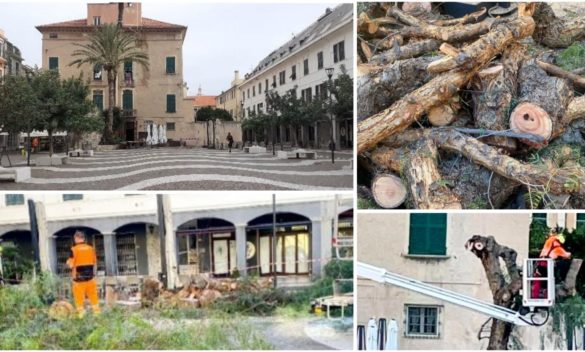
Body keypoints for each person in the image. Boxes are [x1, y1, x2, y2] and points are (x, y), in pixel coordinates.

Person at [66, 231, 100, 317]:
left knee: (79, 300)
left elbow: (70, 265)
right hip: (90, 278)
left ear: (76, 238)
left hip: (79, 279)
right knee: (94, 299)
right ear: (83, 238)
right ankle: (97, 315)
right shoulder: (91, 248)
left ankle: (81, 317)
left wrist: (68, 262)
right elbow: (94, 262)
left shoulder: (73, 249)